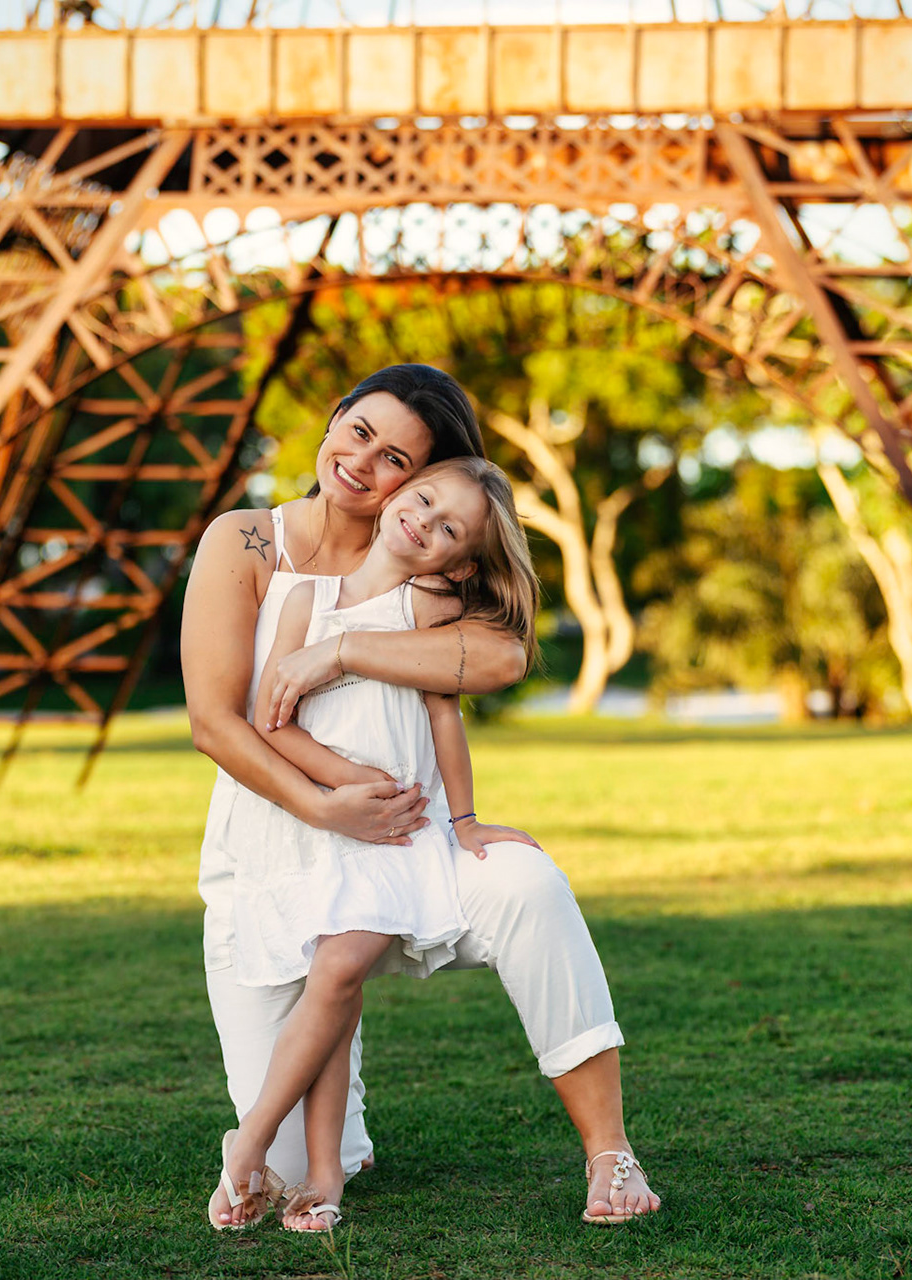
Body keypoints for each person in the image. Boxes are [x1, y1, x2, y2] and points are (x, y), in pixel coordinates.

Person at [182, 363, 661, 1227]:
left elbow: (505, 659)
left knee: (526, 884)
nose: (365, 463)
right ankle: (328, 1138)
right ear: (333, 420)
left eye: (398, 458)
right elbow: (219, 726)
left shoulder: (435, 575)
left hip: (406, 838)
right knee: (294, 1169)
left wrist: (344, 652)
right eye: (359, 431)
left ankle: (611, 1157)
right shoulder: (249, 543)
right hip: (277, 849)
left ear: (428, 478)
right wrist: (325, 804)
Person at [211, 457, 541, 1232]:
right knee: (335, 989)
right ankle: (321, 1171)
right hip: (327, 825)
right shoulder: (302, 599)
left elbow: (444, 718)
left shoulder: (428, 607)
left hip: (398, 832)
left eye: (449, 528)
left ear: (458, 561)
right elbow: (271, 720)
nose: (423, 520)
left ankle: (250, 1139)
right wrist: (343, 779)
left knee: (339, 968)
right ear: (398, 494)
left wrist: (463, 823)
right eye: (424, 498)